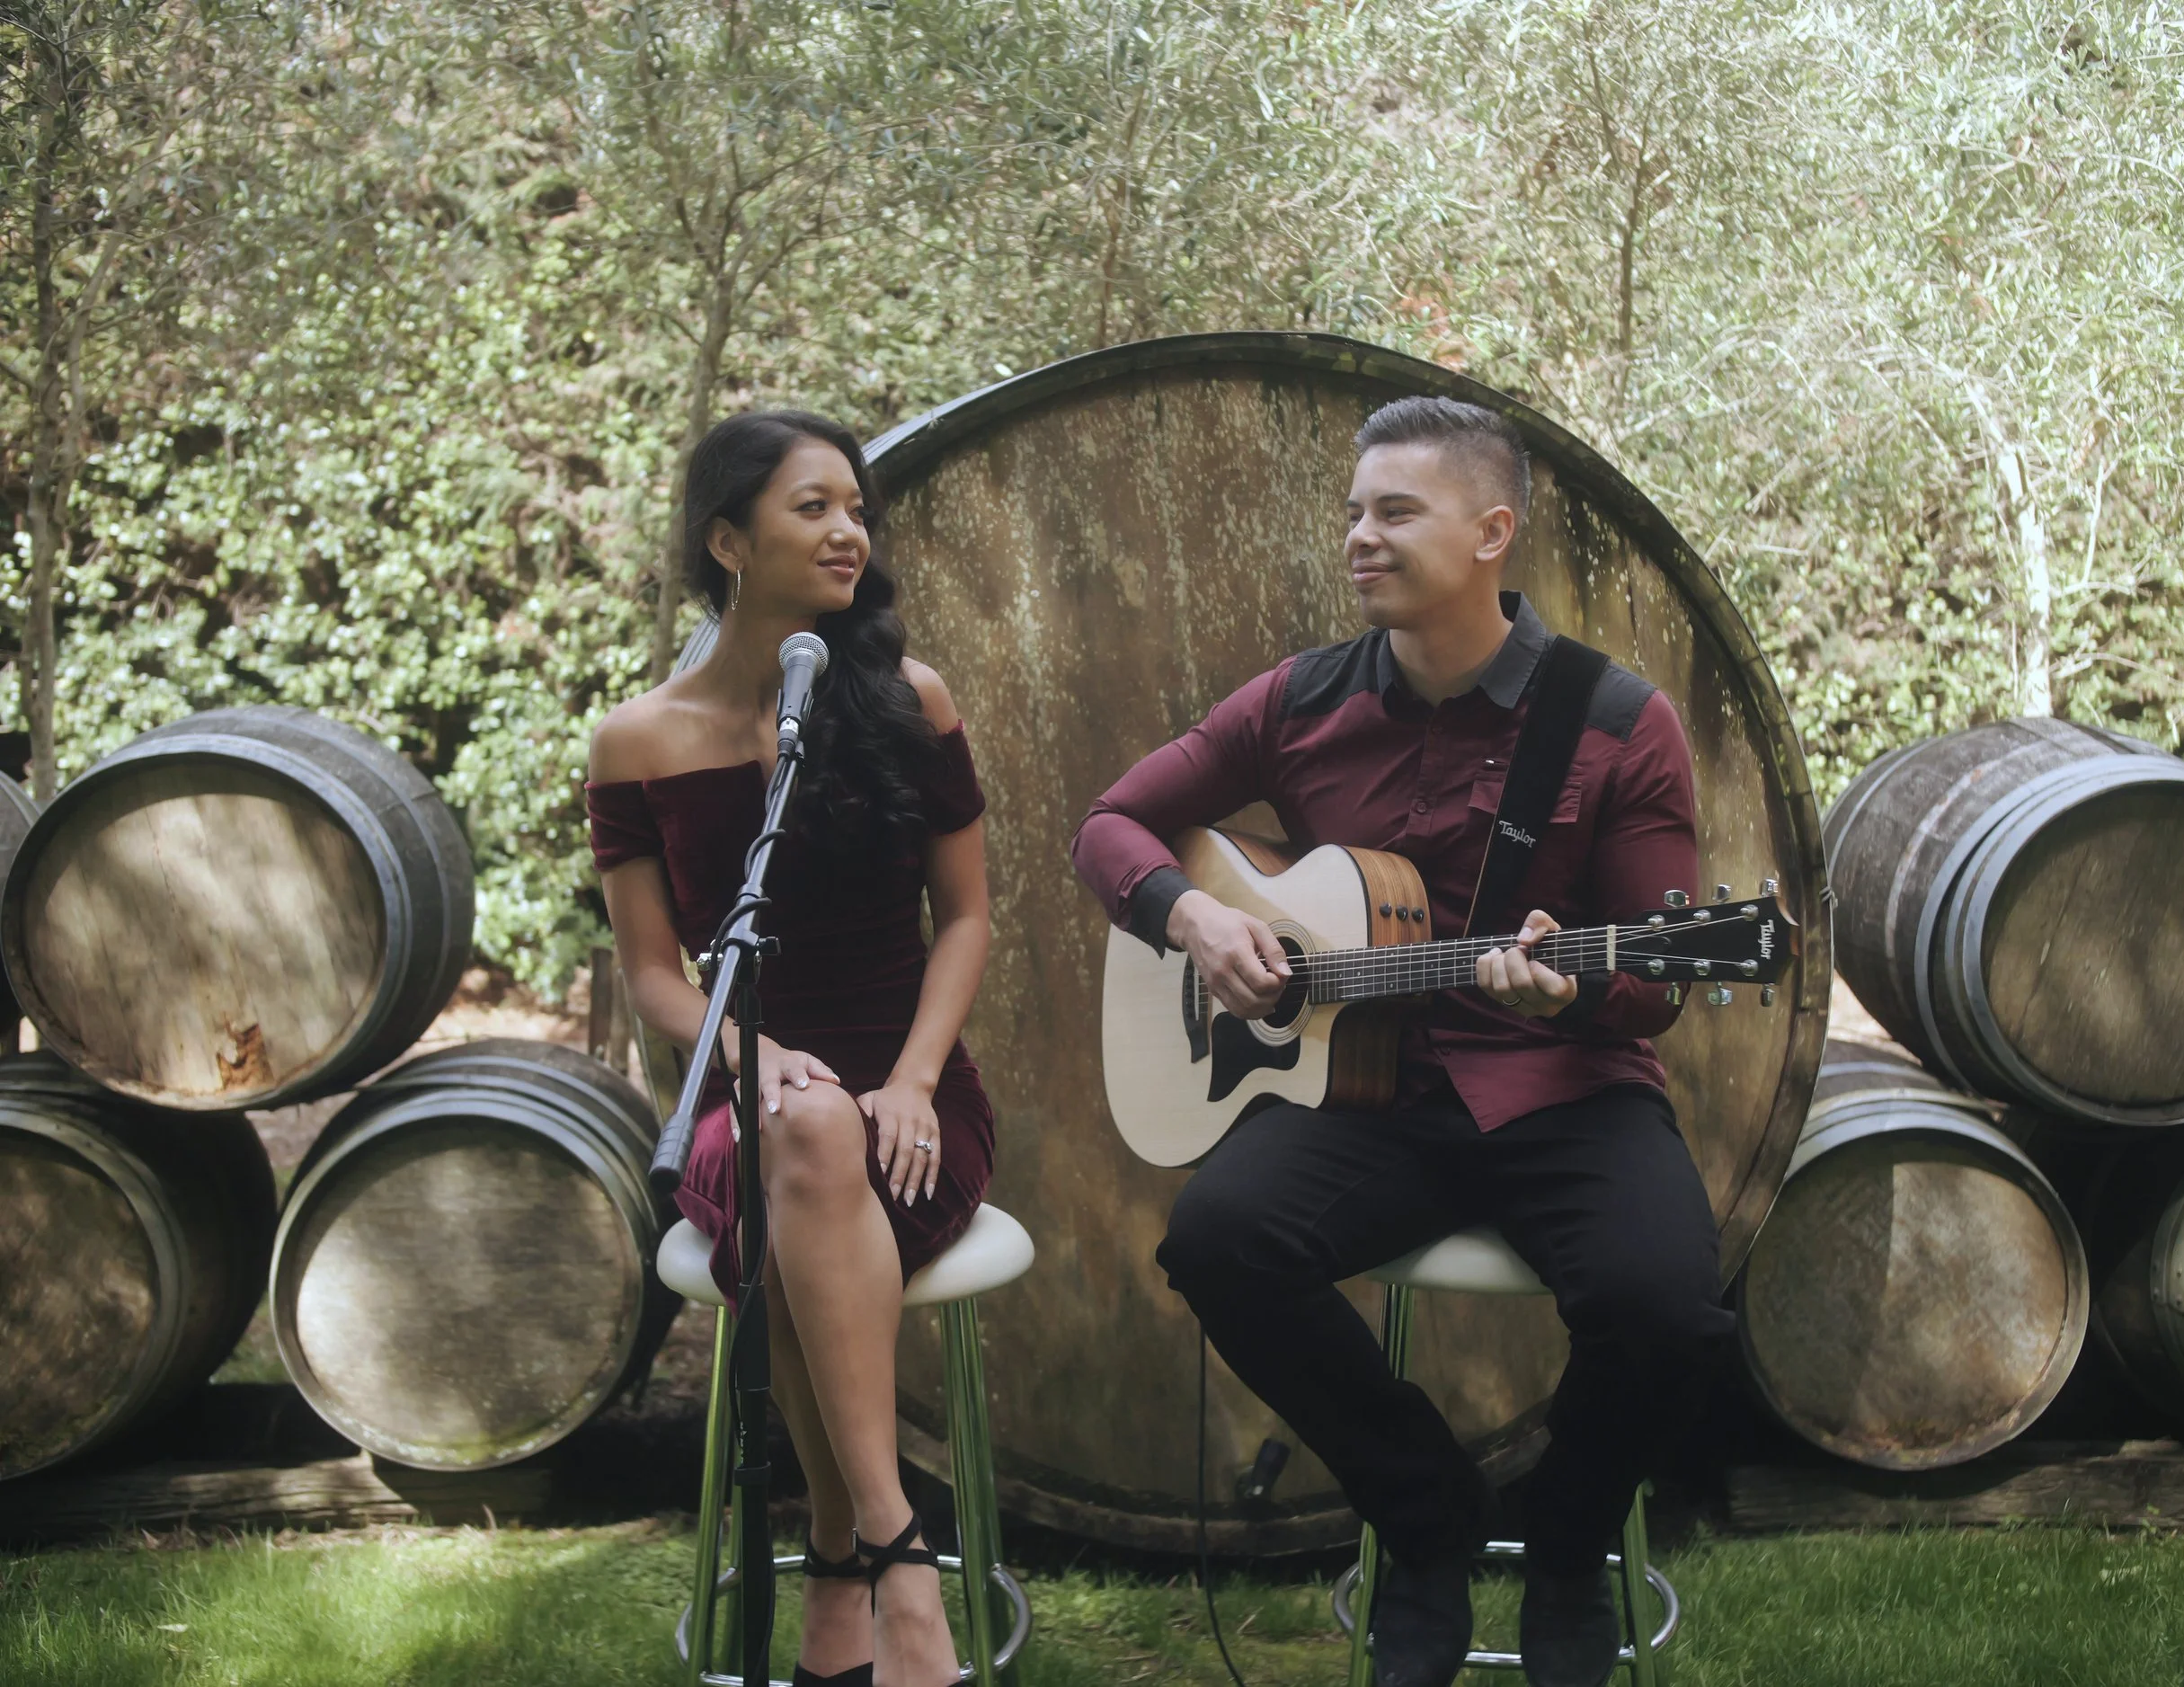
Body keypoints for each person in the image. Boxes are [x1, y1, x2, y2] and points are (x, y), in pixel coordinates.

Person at [1070, 396, 1733, 1687]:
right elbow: (1112, 825)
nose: (1360, 537)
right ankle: (1424, 1521)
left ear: (1491, 533)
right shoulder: (1299, 700)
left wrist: (1570, 993)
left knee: (1666, 1312)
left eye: (1395, 512)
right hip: (1370, 1096)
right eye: (1354, 513)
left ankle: (1567, 1544)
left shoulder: (1615, 720)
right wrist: (1194, 917)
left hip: (1567, 1089)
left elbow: (1658, 980)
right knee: (1217, 1243)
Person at [588, 411, 992, 1687]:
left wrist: (914, 1079)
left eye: (855, 509)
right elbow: (656, 974)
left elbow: (967, 918)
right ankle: (898, 1557)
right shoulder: (635, 743)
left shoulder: (911, 700)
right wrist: (748, 1058)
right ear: (728, 541)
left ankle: (836, 1555)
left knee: (822, 1152)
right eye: (813, 507)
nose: (848, 532)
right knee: (807, 1132)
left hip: (917, 1100)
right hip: (745, 1102)